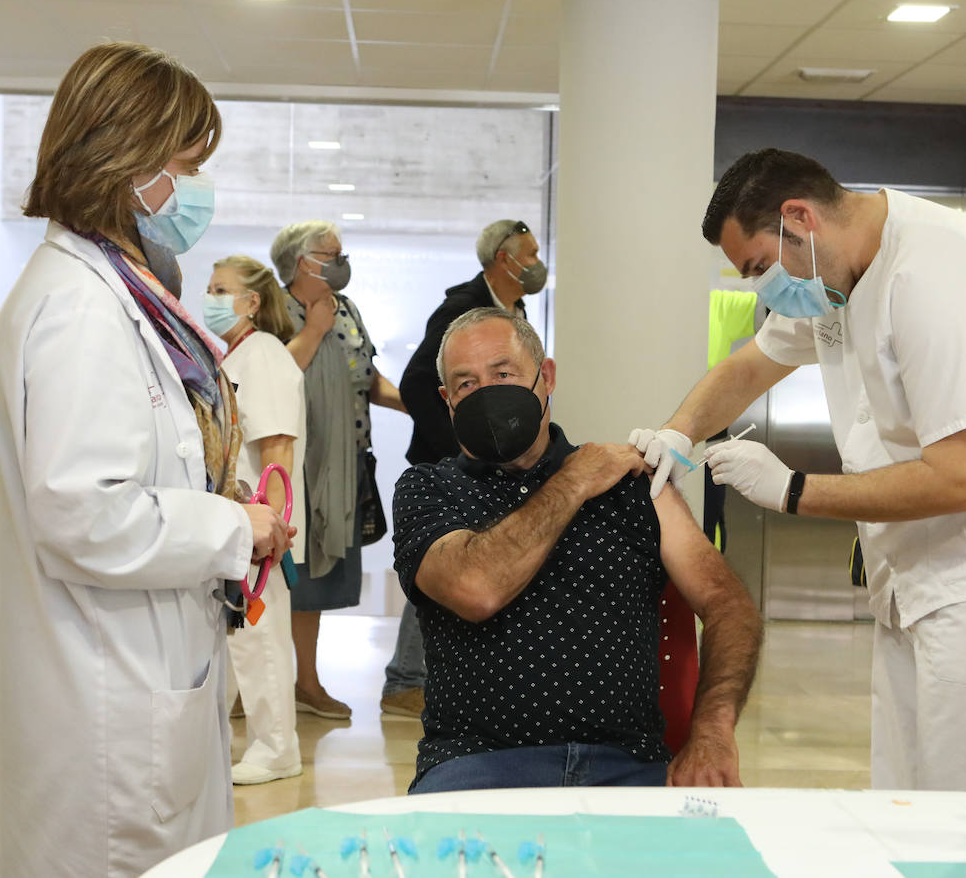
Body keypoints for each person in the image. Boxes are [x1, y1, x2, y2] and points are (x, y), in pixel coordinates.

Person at [632, 147, 966, 792]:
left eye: (760, 266)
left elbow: (962, 477)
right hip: (917, 555)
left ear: (800, 217)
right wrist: (676, 433)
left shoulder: (935, 276)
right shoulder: (834, 275)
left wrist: (792, 491)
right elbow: (749, 366)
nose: (762, 288)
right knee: (908, 781)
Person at [0, 43, 294, 878]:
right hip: (107, 712)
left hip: (136, 683)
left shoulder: (114, 289)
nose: (196, 189)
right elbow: (85, 514)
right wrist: (236, 524)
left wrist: (217, 502)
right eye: (188, 165)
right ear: (127, 163)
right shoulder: (80, 307)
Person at [393, 307, 762, 793]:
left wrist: (712, 729)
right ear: (447, 400)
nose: (486, 394)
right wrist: (575, 479)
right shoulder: (428, 490)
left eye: (503, 374)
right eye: (466, 384)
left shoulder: (630, 485)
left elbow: (728, 604)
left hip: (626, 766)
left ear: (545, 377)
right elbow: (475, 588)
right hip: (476, 766)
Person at [384, 218, 548, 719]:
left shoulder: (513, 309)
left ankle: (416, 675)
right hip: (450, 464)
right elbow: (415, 383)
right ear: (506, 259)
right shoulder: (461, 310)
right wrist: (462, 444)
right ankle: (406, 680)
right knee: (441, 562)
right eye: (532, 252)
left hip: (493, 463)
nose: (539, 262)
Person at [270, 220, 407, 719]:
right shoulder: (273, 306)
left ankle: (306, 681)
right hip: (293, 464)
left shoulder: (348, 309)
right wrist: (312, 331)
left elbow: (368, 379)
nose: (339, 260)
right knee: (289, 574)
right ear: (299, 260)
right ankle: (265, 684)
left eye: (340, 252)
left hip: (346, 463)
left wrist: (422, 406)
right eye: (330, 253)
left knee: (317, 577)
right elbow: (273, 376)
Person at [205, 255, 306, 785]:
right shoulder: (237, 355)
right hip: (238, 522)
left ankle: (276, 749)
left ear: (253, 302)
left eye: (222, 290)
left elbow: (277, 446)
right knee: (236, 638)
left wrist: (269, 525)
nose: (210, 298)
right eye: (210, 288)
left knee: (259, 638)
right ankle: (218, 740)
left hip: (259, 527)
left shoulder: (263, 353)